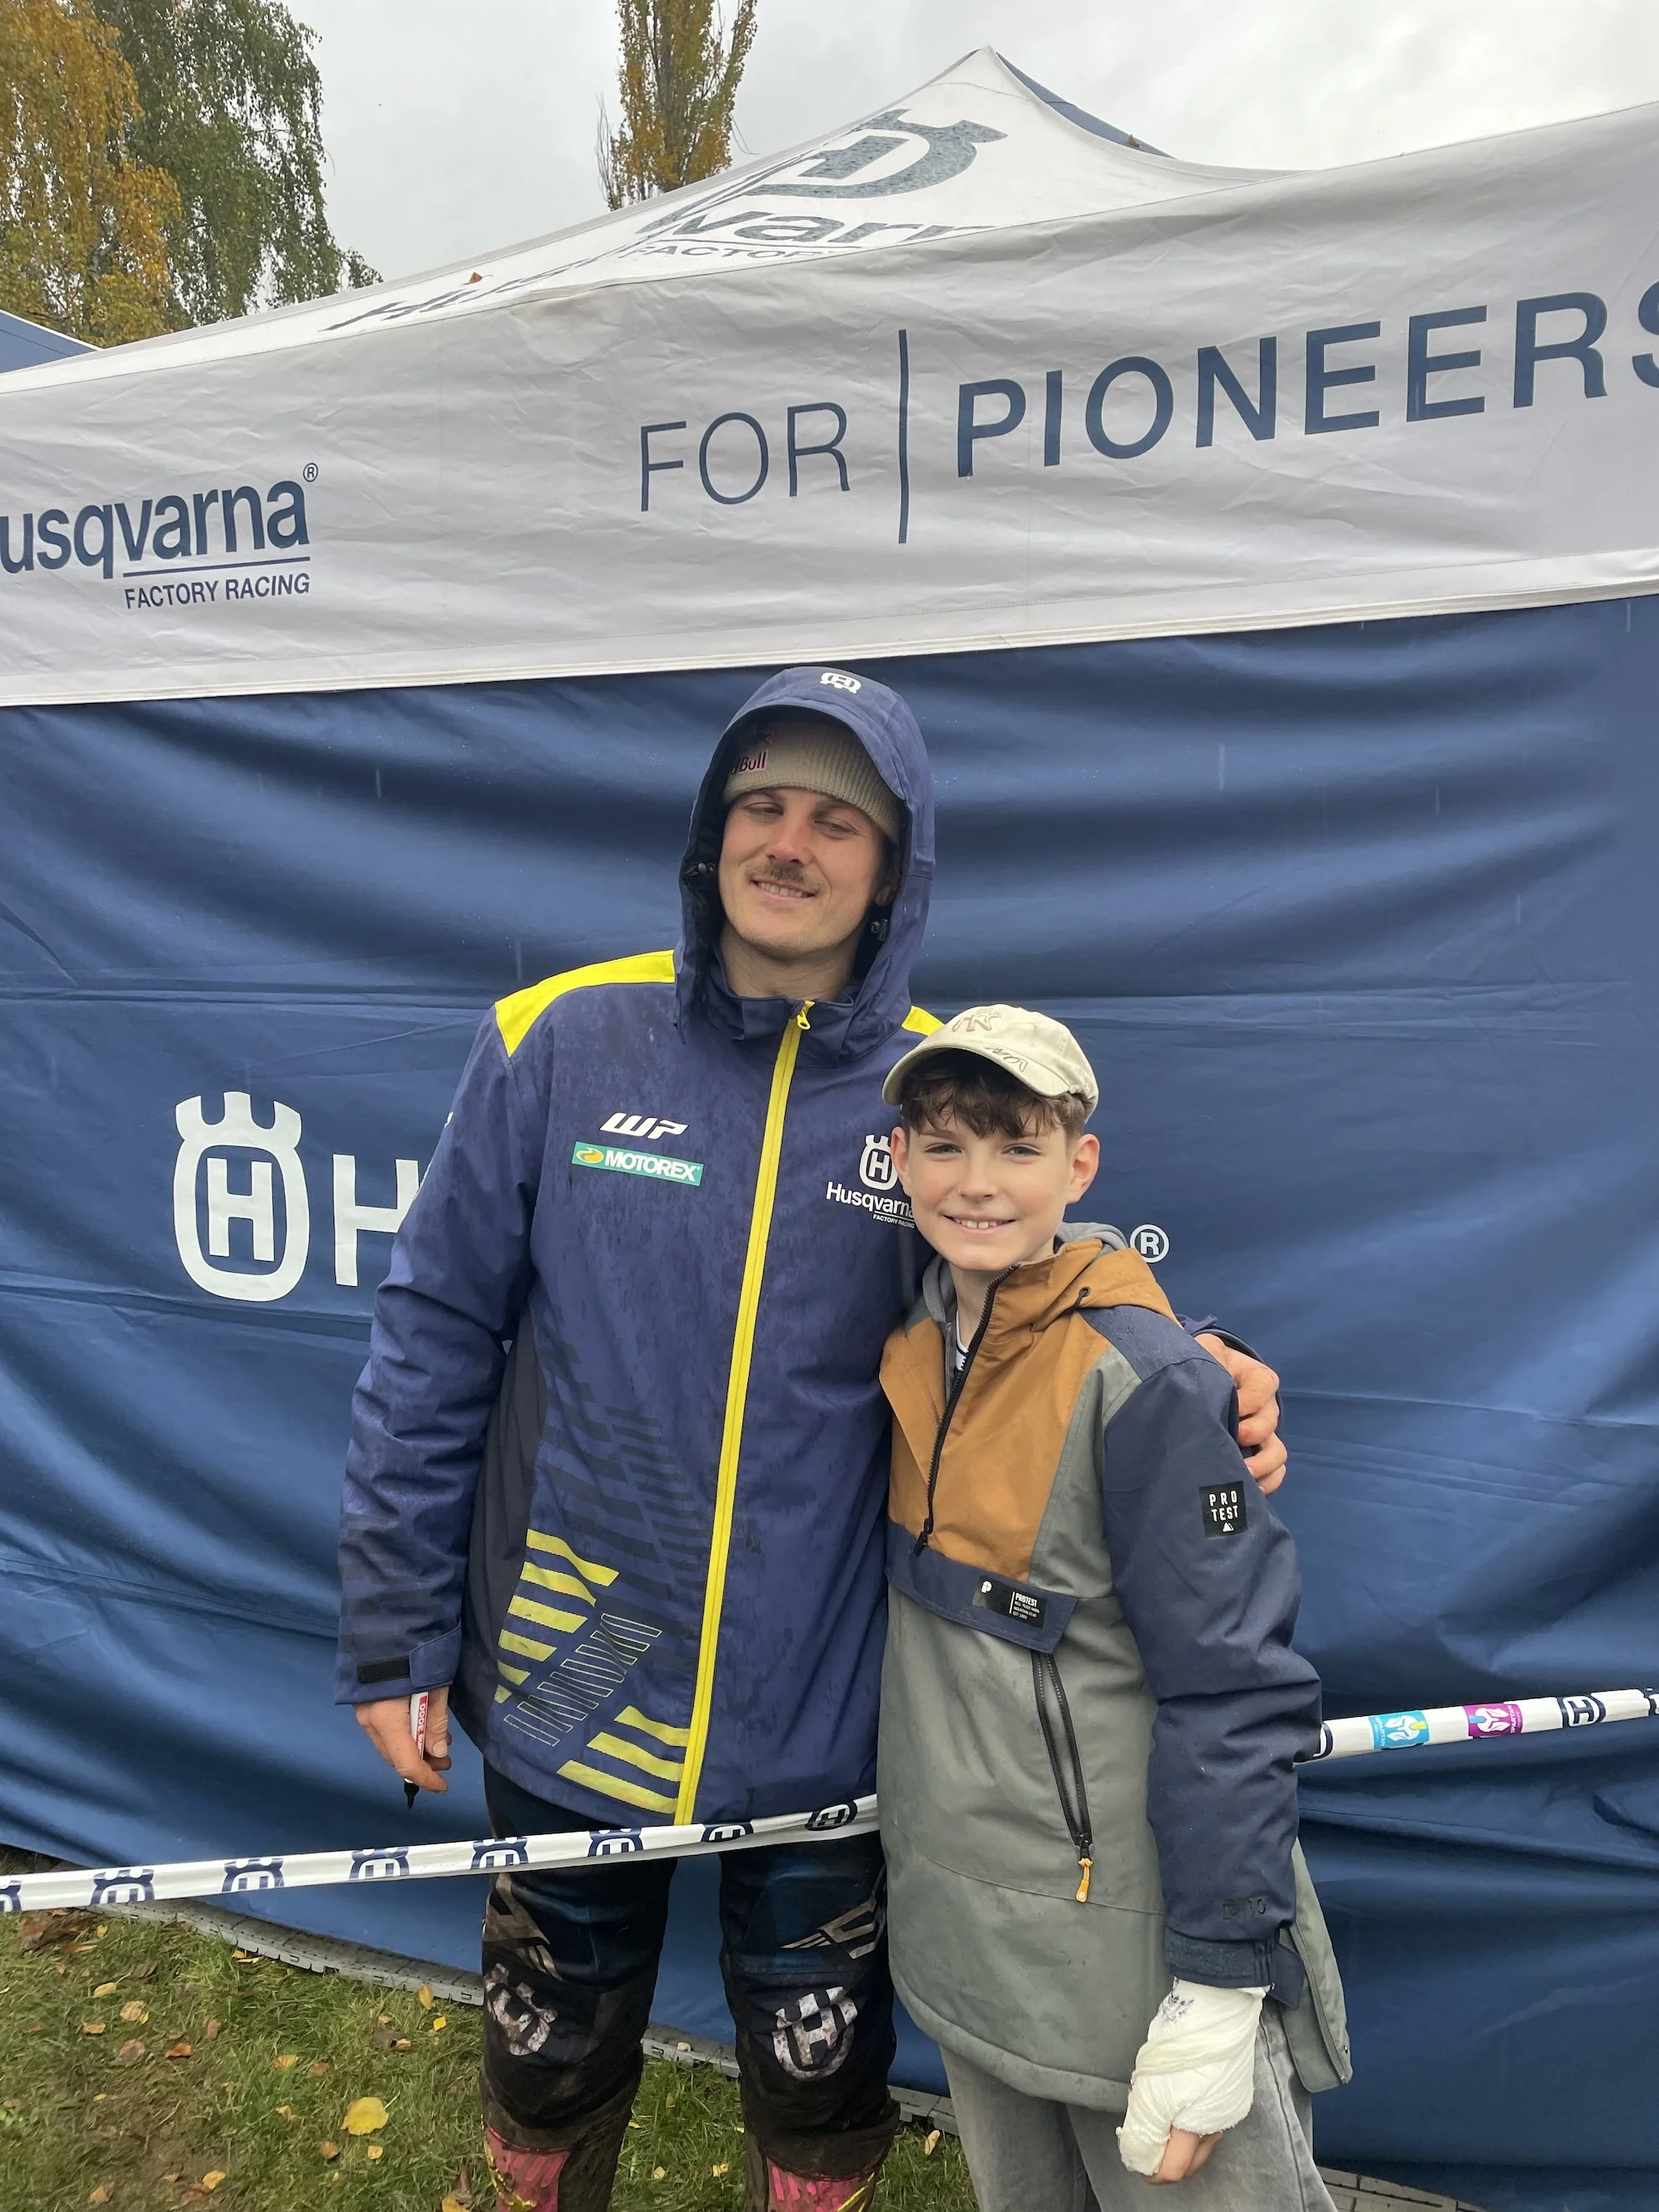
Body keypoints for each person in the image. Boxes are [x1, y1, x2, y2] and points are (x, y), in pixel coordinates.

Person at [334, 668, 1289, 2212]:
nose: (790, 844)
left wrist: (1201, 1360)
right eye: (761, 806)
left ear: (893, 869)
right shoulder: (558, 1034)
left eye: (838, 822)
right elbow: (433, 1333)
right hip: (573, 1661)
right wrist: (394, 1628)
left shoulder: (929, 1081)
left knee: (818, 2073)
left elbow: (1028, 1270)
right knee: (547, 2041)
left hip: (830, 1697)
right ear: (710, 835)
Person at [876, 1005, 1351, 2210]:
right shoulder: (912, 1332)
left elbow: (1233, 1690)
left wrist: (1219, 1984)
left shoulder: (1147, 1380)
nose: (977, 1183)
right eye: (945, 1145)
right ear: (899, 1160)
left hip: (1136, 1956)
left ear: (1079, 1165)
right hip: (974, 1941)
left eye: (1017, 1147)